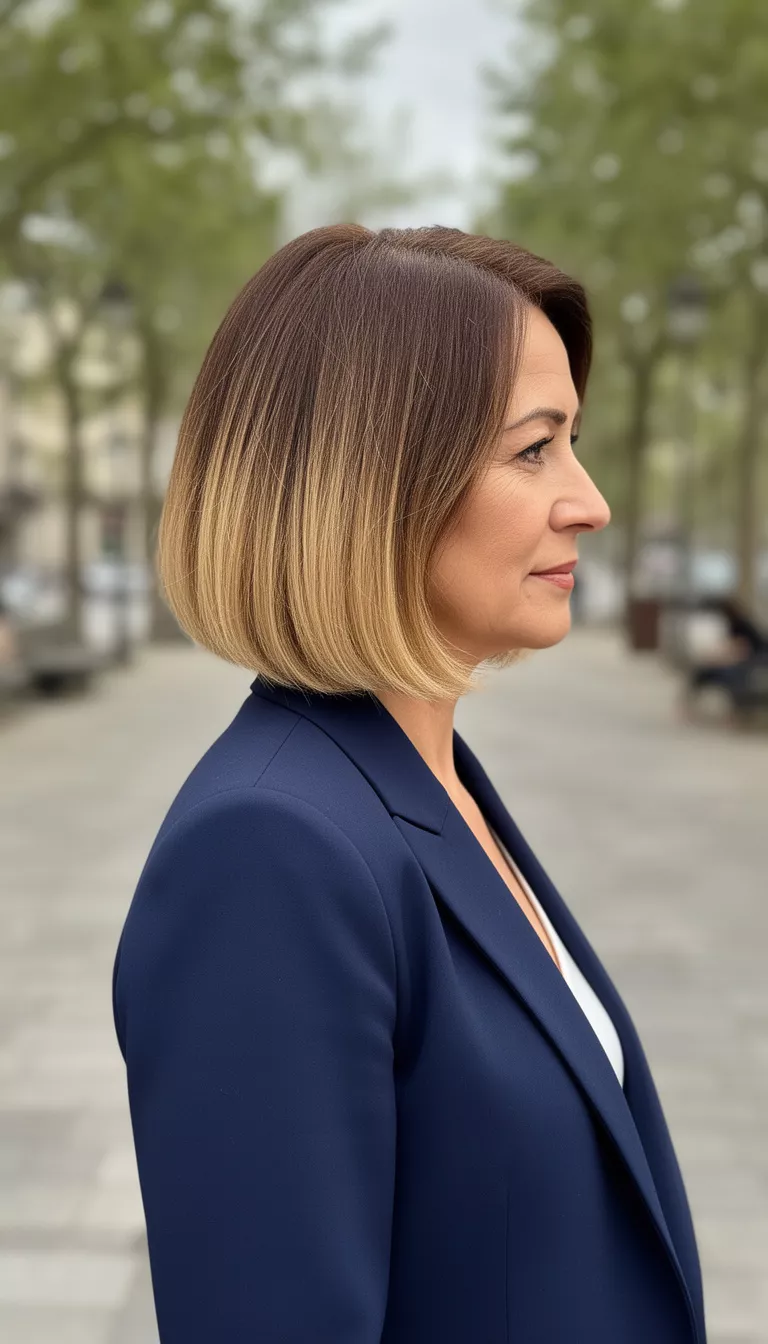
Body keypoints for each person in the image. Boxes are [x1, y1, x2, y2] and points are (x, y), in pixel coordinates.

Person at [112, 225, 706, 1344]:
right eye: (535, 450)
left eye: (571, 442)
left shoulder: (426, 790)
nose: (590, 501)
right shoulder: (270, 850)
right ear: (373, 485)